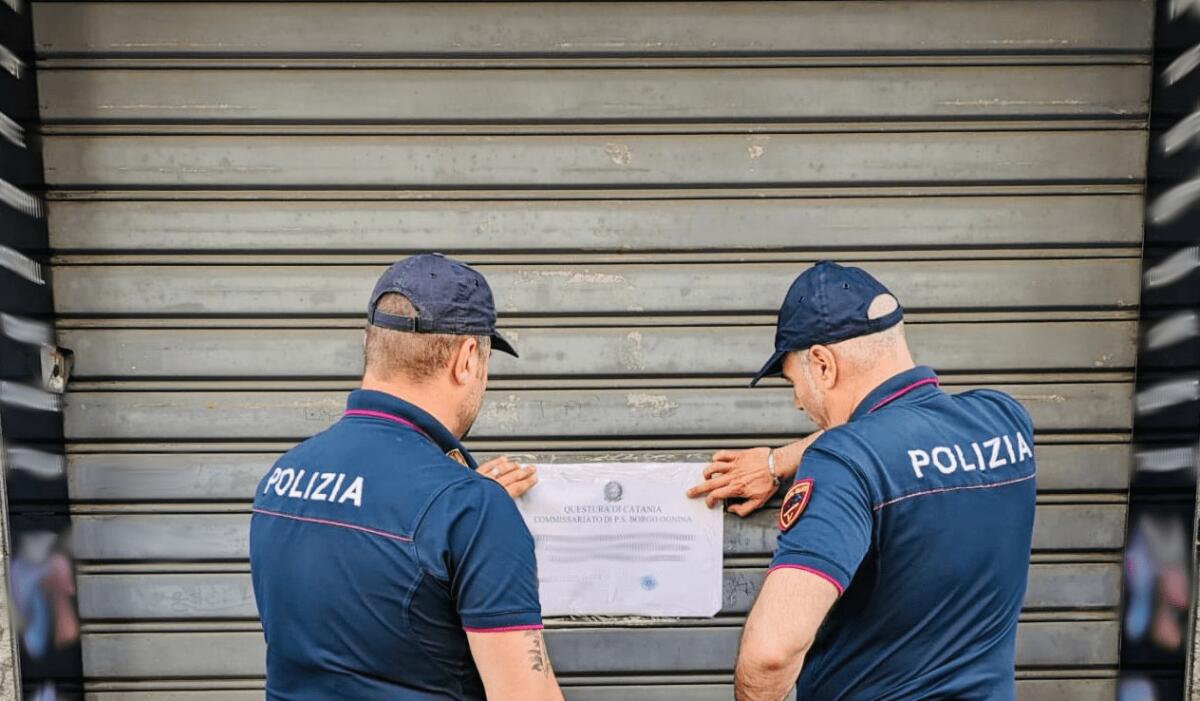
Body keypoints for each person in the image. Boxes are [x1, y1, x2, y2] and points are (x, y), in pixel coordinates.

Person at [689, 260, 1036, 700]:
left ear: (822, 364)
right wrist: (778, 462)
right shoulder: (1004, 421)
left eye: (793, 382)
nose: (798, 403)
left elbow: (771, 654)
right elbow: (901, 430)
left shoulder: (843, 463)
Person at [249, 253, 564, 701]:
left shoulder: (284, 476)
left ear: (371, 343)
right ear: (468, 358)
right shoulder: (469, 509)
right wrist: (475, 514)